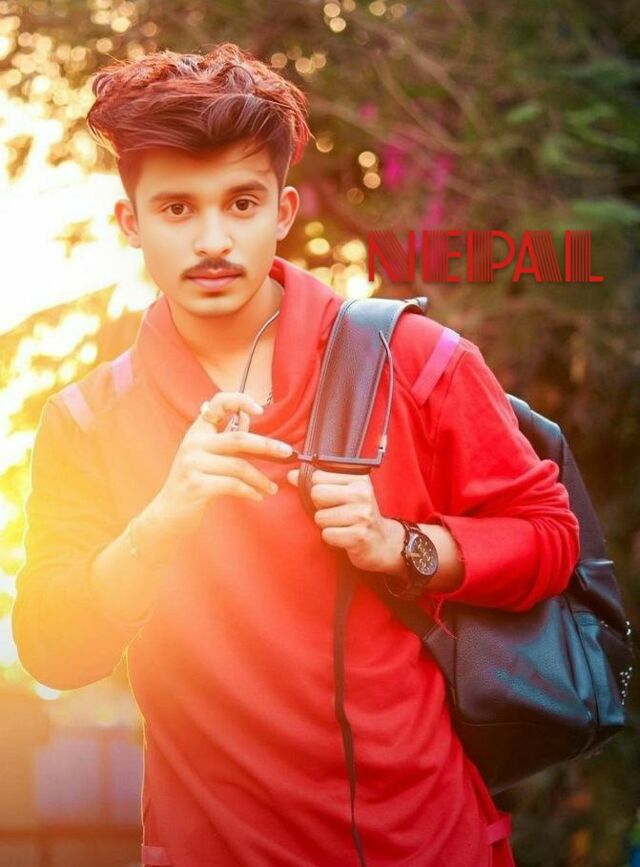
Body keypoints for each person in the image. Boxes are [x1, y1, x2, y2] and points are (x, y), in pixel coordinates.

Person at [12, 43, 580, 867]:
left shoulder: (418, 362)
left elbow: (550, 537)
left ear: (282, 210)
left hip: (428, 843)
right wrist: (161, 522)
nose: (213, 240)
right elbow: (54, 648)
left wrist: (407, 544)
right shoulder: (86, 422)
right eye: (177, 209)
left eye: (241, 203)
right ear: (130, 222)